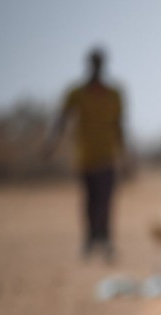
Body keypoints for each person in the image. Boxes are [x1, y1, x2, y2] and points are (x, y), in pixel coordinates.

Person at [45, 47, 130, 263]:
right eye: (94, 63)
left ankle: (106, 239)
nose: (96, 67)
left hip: (107, 155)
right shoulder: (77, 93)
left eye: (99, 63)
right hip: (86, 156)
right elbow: (62, 118)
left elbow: (120, 125)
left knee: (106, 200)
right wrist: (52, 143)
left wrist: (125, 154)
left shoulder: (114, 94)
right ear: (89, 64)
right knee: (90, 200)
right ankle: (91, 239)